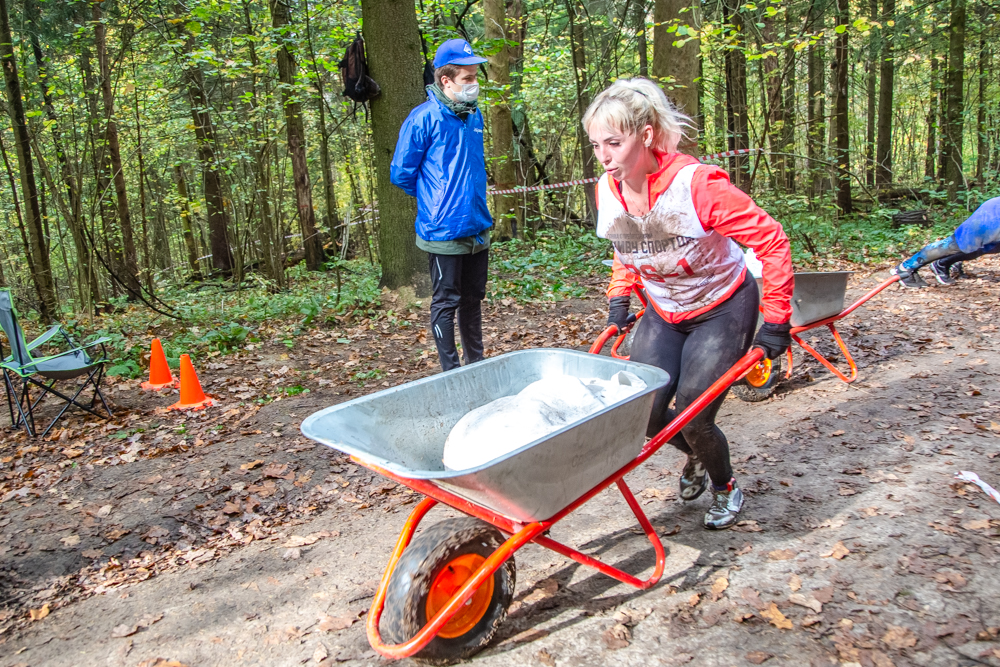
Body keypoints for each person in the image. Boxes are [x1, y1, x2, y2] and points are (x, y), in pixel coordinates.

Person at [584, 78, 794, 530]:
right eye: (596, 144)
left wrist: (776, 320)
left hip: (722, 305)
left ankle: (726, 487)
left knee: (696, 415)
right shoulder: (608, 187)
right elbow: (625, 248)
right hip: (665, 309)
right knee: (645, 413)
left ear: (644, 135)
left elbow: (772, 240)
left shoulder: (696, 184)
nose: (603, 157)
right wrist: (620, 294)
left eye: (614, 143)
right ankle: (697, 458)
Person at [390, 38, 492, 371]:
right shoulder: (422, 119)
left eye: (476, 76)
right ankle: (451, 372)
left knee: (473, 299)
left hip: (477, 225)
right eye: (467, 78)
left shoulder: (473, 116)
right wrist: (435, 200)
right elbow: (401, 173)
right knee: (446, 301)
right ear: (446, 80)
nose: (474, 83)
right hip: (443, 229)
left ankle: (476, 364)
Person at [891, 197, 1000, 287]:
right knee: (954, 245)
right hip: (992, 216)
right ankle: (905, 268)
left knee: (989, 247)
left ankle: (943, 263)